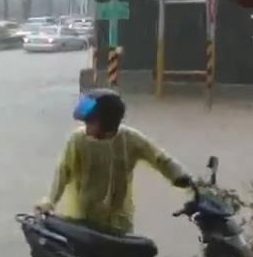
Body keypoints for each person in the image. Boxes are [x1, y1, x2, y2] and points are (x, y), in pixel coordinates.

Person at [35, 89, 192, 236]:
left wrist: (179, 176)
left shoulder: (130, 139)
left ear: (108, 123)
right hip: (83, 217)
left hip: (120, 220)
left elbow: (159, 158)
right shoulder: (77, 141)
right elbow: (62, 172)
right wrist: (49, 201)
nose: (86, 128)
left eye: (91, 123)